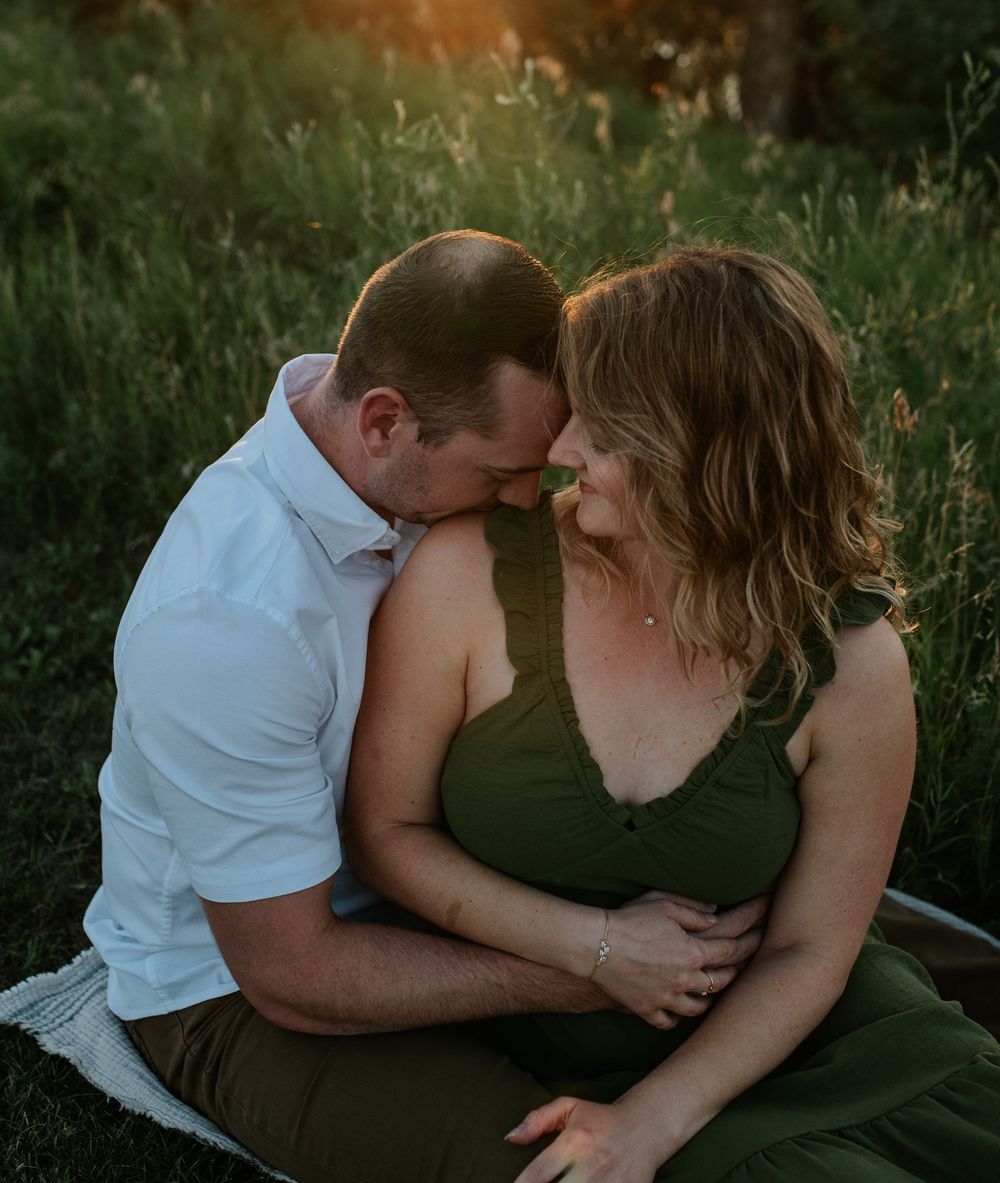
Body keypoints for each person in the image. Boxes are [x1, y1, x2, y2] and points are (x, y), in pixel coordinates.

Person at [82, 230, 769, 1183]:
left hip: (443, 892)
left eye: (543, 469)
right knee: (562, 1169)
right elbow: (293, 972)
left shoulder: (418, 448)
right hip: (239, 988)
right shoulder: (225, 622)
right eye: (501, 475)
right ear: (383, 423)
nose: (529, 506)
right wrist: (588, 967)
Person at [347, 246, 1000, 1181]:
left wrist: (648, 1122)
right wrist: (596, 950)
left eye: (602, 431)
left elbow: (813, 949)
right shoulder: (469, 577)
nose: (561, 451)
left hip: (790, 1053)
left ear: (702, 457)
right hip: (536, 1044)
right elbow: (383, 834)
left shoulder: (851, 666)